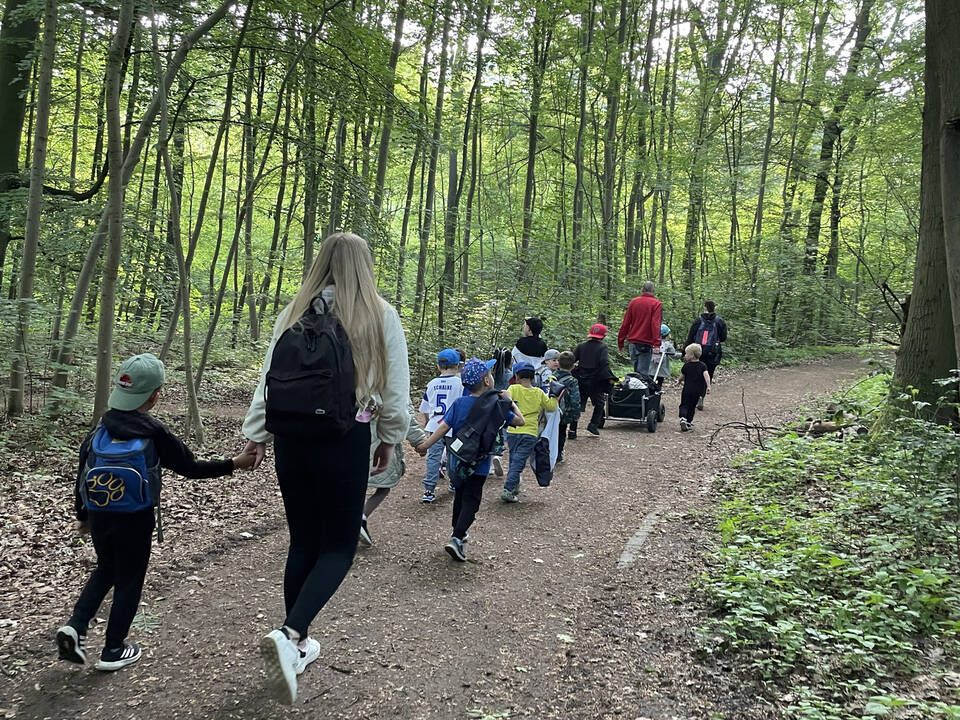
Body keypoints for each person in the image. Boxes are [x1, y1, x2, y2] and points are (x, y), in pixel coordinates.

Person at [241, 232, 410, 705]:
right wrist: (390, 438)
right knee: (338, 545)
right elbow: (395, 388)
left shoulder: (295, 311)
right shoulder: (379, 314)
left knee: (302, 540)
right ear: (365, 266)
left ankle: (295, 646)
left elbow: (268, 380)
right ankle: (291, 632)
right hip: (345, 437)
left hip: (292, 439)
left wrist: (257, 434)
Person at [57, 353, 255, 672]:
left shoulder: (100, 429)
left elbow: (83, 474)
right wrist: (233, 464)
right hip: (135, 519)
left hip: (100, 515)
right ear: (154, 396)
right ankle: (113, 649)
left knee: (106, 568)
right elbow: (191, 468)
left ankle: (76, 625)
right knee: (129, 580)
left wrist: (82, 515)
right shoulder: (154, 432)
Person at [417, 358, 523, 560]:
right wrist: (509, 401)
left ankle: (458, 530)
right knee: (472, 499)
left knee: (460, 494)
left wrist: (425, 446)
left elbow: (443, 427)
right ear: (486, 381)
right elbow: (520, 421)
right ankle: (457, 537)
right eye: (489, 374)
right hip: (479, 463)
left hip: (457, 460)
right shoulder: (496, 405)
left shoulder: (459, 403)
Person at [359, 403, 427, 547]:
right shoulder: (393, 391)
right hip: (382, 443)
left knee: (354, 485)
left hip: (355, 440)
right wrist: (419, 441)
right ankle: (360, 519)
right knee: (383, 488)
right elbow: (405, 416)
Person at [501, 361, 559, 503]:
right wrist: (555, 395)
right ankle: (508, 489)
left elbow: (506, 400)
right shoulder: (538, 393)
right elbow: (551, 407)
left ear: (516, 376)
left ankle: (513, 487)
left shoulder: (513, 388)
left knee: (514, 459)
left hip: (513, 430)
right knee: (519, 461)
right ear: (533, 378)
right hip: (530, 433)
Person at [417, 348, 464, 502]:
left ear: (438, 366)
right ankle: (453, 482)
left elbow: (425, 408)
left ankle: (429, 490)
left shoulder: (432, 384)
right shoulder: (460, 384)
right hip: (453, 427)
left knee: (433, 458)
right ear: (458, 365)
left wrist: (427, 422)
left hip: (435, 426)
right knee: (453, 456)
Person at [573, 324, 617, 436]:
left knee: (577, 405)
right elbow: (604, 363)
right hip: (595, 382)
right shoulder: (602, 348)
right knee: (599, 403)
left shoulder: (581, 346)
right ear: (603, 336)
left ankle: (572, 430)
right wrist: (610, 377)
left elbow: (572, 359)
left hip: (580, 380)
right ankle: (593, 424)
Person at [683, 300, 727, 409]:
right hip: (713, 353)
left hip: (697, 352)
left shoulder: (698, 320)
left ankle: (692, 396)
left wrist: (685, 351)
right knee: (708, 373)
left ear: (705, 307)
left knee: (695, 374)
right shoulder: (720, 321)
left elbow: (690, 337)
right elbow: (723, 338)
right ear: (714, 308)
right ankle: (701, 396)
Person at [617, 281, 663, 375]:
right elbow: (655, 324)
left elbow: (625, 323)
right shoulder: (656, 304)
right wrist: (657, 344)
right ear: (653, 290)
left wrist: (620, 341)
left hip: (633, 343)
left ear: (642, 289)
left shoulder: (634, 302)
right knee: (642, 375)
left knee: (636, 373)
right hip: (645, 343)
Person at [554, 351, 581, 462]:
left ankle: (548, 451)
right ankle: (558, 453)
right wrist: (576, 415)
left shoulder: (552, 377)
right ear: (573, 366)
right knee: (561, 432)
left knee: (551, 431)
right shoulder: (572, 381)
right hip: (564, 412)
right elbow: (575, 399)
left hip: (550, 410)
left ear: (558, 364)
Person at [678, 343, 711, 432]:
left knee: (684, 404)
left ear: (692, 355)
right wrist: (708, 386)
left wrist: (679, 381)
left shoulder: (686, 366)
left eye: (686, 354)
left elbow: (682, 376)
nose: (685, 355)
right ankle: (688, 422)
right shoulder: (703, 365)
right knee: (692, 406)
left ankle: (683, 418)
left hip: (687, 390)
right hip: (697, 391)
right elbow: (706, 375)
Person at [651, 324, 682, 390]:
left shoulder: (651, 343)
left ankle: (650, 393)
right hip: (661, 370)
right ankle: (657, 393)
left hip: (650, 369)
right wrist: (682, 354)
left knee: (649, 382)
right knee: (659, 383)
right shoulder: (667, 345)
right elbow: (674, 355)